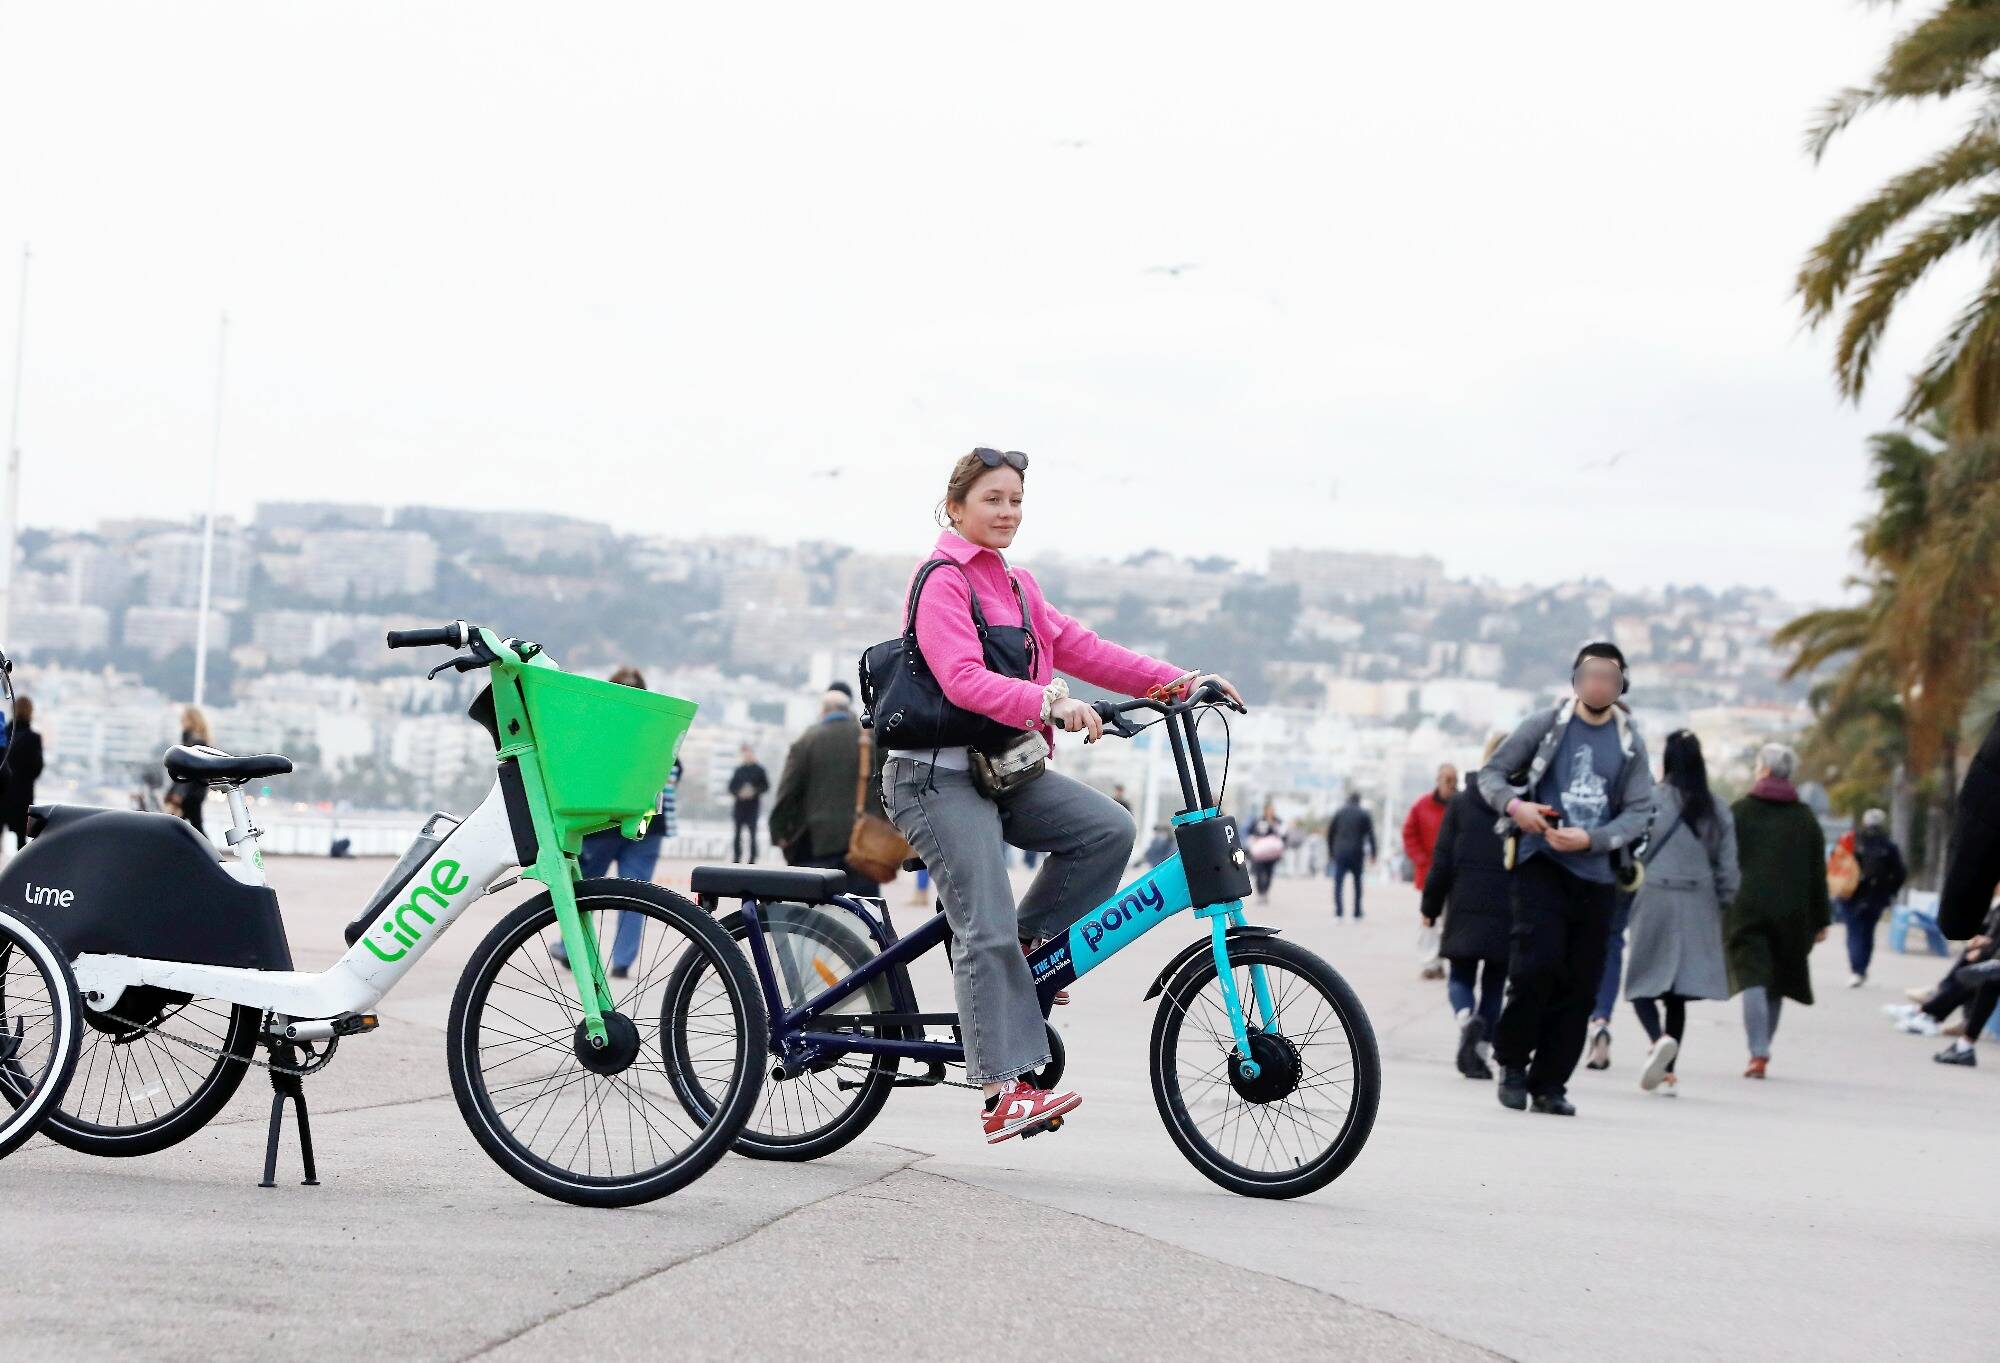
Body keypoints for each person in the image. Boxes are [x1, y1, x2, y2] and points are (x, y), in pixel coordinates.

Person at [875, 447, 1243, 1143]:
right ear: (956, 507)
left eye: (1016, 499)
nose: (1007, 511)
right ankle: (1000, 1092)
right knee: (980, 922)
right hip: (935, 776)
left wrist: (1181, 681)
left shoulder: (1019, 588)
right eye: (992, 498)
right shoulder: (941, 581)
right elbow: (960, 678)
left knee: (1107, 829)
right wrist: (1047, 701)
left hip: (1003, 770)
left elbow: (1089, 649)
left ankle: (1022, 950)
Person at [1477, 641, 1655, 1117]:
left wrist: (1594, 839)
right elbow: (1490, 775)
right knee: (1536, 967)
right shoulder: (1547, 725)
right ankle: (1512, 1064)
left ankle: (1550, 1083)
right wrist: (1520, 808)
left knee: (1581, 984)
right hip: (1541, 863)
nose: (1599, 685)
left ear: (1621, 686)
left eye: (1609, 678)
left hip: (1597, 875)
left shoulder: (1629, 739)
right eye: (1590, 675)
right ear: (1576, 679)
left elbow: (1641, 810)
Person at [1621, 730, 1739, 1096]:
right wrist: (1721, 900)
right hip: (1698, 900)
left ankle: (1657, 1041)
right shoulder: (1717, 808)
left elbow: (1627, 847)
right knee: (1677, 993)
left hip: (1653, 893)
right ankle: (1669, 1072)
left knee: (1641, 982)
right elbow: (1729, 866)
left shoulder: (1650, 800)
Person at [552, 666, 677, 978]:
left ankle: (571, 950)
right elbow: (674, 773)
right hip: (647, 825)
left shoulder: (599, 729)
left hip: (602, 825)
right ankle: (622, 961)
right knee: (635, 896)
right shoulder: (657, 728)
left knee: (585, 892)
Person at [1726, 743, 1831, 1079]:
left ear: (1765, 771)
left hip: (1746, 909)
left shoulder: (1740, 810)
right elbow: (1818, 873)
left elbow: (1723, 860)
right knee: (1777, 981)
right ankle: (1761, 1053)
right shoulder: (1805, 819)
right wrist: (1821, 919)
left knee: (1753, 977)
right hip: (1792, 914)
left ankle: (1758, 1050)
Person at [1421, 734, 1511, 1080]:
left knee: (1459, 975)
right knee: (1495, 983)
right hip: (1506, 906)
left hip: (1464, 903)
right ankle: (1481, 1054)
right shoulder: (1520, 805)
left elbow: (1441, 860)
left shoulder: (1460, 802)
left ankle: (1464, 1018)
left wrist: (1430, 905)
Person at [769, 681, 884, 896]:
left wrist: (780, 833)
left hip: (818, 844)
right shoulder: (872, 739)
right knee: (865, 909)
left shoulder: (807, 740)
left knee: (821, 913)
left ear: (823, 710)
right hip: (865, 844)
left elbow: (788, 792)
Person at [1843, 809, 1906, 987]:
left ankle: (1856, 969)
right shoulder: (1888, 846)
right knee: (1868, 932)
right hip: (1876, 896)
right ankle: (1862, 969)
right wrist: (1890, 891)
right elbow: (1900, 872)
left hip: (1850, 895)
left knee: (1854, 932)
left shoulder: (1852, 841)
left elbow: (1836, 864)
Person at [0, 696, 44, 854]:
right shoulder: (33, 739)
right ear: (30, 712)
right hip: (22, 796)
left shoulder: (2, 734)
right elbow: (37, 769)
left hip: (1, 793)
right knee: (21, 843)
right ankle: (19, 877)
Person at [1402, 764, 1457, 892]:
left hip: (1455, 874)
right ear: (1438, 780)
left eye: (1455, 780)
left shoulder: (1463, 806)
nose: (1452, 784)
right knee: (1430, 910)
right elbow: (1408, 833)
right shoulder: (1422, 805)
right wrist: (1420, 859)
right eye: (1448, 779)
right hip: (1429, 872)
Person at [1326, 792, 1376, 918]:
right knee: (1357, 883)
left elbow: (1330, 833)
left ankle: (1339, 911)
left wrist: (1331, 851)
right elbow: (1370, 835)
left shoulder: (1339, 812)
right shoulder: (1363, 813)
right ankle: (1357, 912)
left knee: (1338, 882)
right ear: (1359, 801)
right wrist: (1374, 853)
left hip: (1340, 852)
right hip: (1356, 852)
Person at [168, 705, 212, 836]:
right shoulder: (194, 741)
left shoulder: (195, 743)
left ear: (193, 721)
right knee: (192, 826)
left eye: (184, 719)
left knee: (176, 825)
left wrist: (179, 794)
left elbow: (188, 771)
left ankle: (210, 855)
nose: (181, 722)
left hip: (190, 793)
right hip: (193, 792)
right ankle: (209, 854)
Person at [727, 744, 770, 864]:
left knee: (753, 834)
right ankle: (737, 857)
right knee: (737, 834)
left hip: (753, 807)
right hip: (739, 807)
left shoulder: (760, 770)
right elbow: (731, 787)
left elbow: (766, 786)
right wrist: (739, 793)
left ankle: (753, 858)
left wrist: (754, 791)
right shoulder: (739, 770)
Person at [1246, 799, 1286, 901]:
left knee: (1269, 873)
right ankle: (1260, 892)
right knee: (1259, 872)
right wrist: (1255, 838)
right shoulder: (1259, 820)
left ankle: (1265, 892)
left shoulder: (1278, 821)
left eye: (1273, 810)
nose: (1271, 812)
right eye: (1269, 810)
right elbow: (1251, 832)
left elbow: (1284, 835)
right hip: (1260, 852)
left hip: (1272, 852)